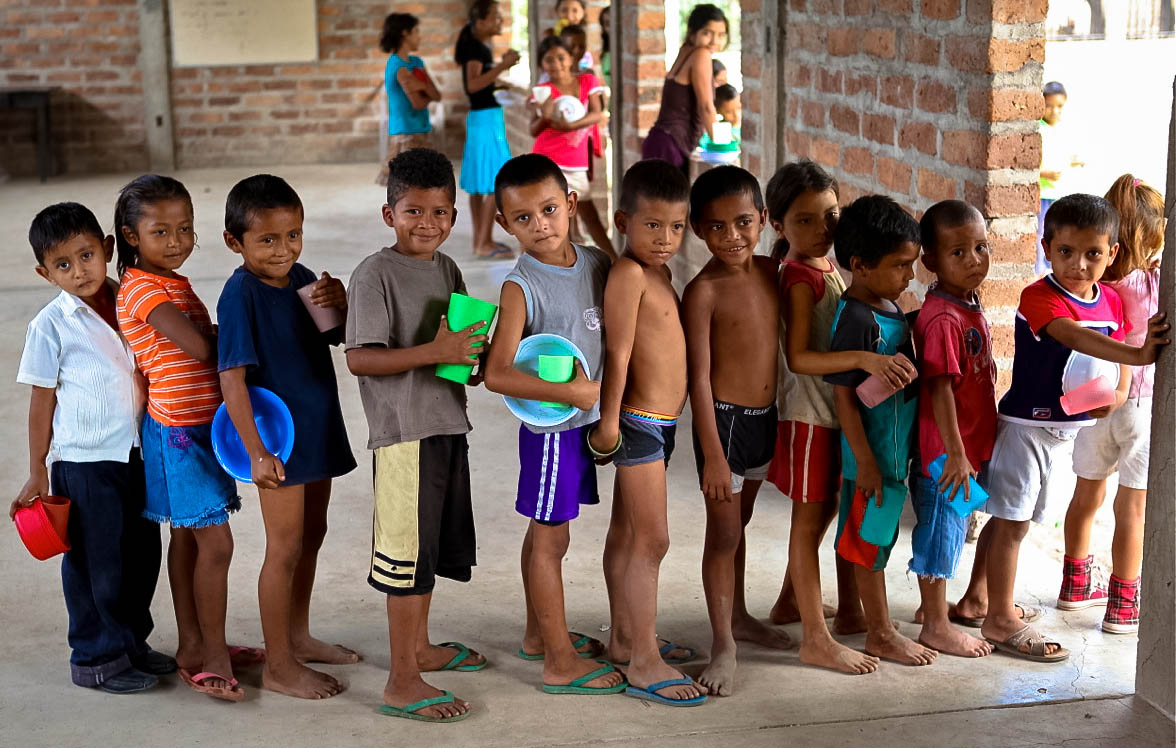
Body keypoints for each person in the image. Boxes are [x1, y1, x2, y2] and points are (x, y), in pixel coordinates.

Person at [954, 194, 1167, 662]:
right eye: (1066, 251)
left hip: (1065, 434)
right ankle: (1000, 620)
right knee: (1010, 525)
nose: (1079, 264)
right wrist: (1136, 357)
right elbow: (1072, 334)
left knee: (1015, 519)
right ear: (1046, 247)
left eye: (1093, 253)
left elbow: (1118, 341)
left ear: (1112, 254)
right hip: (1026, 430)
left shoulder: (1109, 298)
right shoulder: (1039, 296)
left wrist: (1118, 391)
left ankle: (977, 600)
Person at [346, 149, 488, 723]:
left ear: (454, 216)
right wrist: (437, 352)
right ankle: (402, 679)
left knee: (428, 551)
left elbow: (453, 345)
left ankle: (422, 648)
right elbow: (359, 359)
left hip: (446, 423)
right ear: (389, 214)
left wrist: (469, 363)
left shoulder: (447, 268)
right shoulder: (374, 274)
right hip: (404, 437)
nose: (426, 224)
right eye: (412, 212)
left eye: (439, 213)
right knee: (404, 559)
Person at [762, 162, 914, 675]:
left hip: (831, 416)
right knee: (809, 525)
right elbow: (800, 357)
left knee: (827, 514)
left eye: (829, 214)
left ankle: (790, 602)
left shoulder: (828, 266)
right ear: (777, 225)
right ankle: (813, 638)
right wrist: (864, 359)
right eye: (804, 221)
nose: (821, 229)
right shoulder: (801, 276)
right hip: (809, 417)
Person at [483, 154, 626, 697]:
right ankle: (559, 659)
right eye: (522, 219)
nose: (539, 225)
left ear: (569, 206)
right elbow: (498, 374)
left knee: (547, 534)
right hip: (550, 433)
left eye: (548, 210)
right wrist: (572, 392)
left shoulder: (596, 262)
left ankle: (538, 634)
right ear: (504, 224)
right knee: (550, 540)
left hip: (586, 425)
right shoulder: (521, 286)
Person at [12, 202, 169, 695]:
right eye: (63, 265)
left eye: (85, 256)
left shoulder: (132, 302)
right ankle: (96, 656)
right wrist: (37, 469)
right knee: (94, 562)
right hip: (83, 462)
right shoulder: (51, 326)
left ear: (106, 248)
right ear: (44, 272)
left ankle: (130, 642)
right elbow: (42, 402)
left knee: (141, 554)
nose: (79, 272)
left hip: (136, 453)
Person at [217, 174, 359, 699]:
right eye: (268, 240)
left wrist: (338, 300)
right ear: (236, 242)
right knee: (284, 546)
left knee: (313, 534)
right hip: (278, 439)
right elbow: (230, 376)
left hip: (317, 425)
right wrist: (256, 451)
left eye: (293, 234)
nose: (284, 250)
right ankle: (278, 664)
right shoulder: (239, 295)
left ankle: (297, 636)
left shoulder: (300, 275)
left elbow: (337, 334)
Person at [113, 175, 243, 701]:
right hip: (176, 437)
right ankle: (211, 651)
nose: (176, 241)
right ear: (130, 236)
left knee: (190, 539)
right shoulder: (144, 288)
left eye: (185, 228)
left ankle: (194, 643)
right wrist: (245, 323)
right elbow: (199, 347)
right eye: (160, 231)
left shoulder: (172, 281)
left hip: (199, 430)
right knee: (215, 542)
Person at [589, 160, 705, 707]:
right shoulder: (629, 274)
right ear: (623, 221)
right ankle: (643, 661)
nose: (665, 239)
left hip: (659, 423)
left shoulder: (658, 272)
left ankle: (623, 637)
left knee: (627, 533)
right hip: (635, 423)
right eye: (653, 225)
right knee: (652, 539)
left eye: (676, 227)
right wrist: (609, 421)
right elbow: (619, 351)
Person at [682, 165, 792, 697]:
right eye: (717, 226)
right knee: (723, 533)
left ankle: (742, 615)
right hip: (723, 425)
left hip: (764, 420)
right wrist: (713, 456)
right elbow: (697, 380)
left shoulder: (774, 272)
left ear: (765, 220)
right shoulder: (702, 291)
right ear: (700, 229)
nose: (732, 237)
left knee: (741, 523)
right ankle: (723, 643)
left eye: (744, 222)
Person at [822, 195, 937, 668]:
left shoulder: (885, 304)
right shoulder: (856, 319)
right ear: (860, 266)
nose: (909, 275)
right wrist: (865, 461)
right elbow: (844, 396)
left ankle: (854, 614)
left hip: (890, 453)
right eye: (901, 266)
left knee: (866, 535)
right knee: (872, 541)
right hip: (873, 459)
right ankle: (880, 633)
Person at [1059, 175, 1165, 634]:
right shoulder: (1152, 284)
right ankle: (1123, 603)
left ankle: (1075, 583)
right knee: (1133, 507)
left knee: (1087, 493)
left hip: (1093, 404)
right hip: (1138, 404)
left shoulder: (1095, 289)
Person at [907, 200, 997, 659]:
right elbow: (939, 389)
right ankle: (937, 626)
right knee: (941, 534)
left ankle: (931, 610)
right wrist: (958, 454)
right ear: (930, 262)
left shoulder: (964, 304)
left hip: (963, 451)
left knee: (953, 528)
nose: (974, 260)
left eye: (981, 247)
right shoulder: (943, 318)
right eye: (958, 252)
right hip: (946, 457)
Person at [530, 36, 613, 257]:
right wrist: (545, 116)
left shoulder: (587, 81)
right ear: (541, 64)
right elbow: (533, 129)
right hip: (547, 160)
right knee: (546, 217)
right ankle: (541, 264)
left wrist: (571, 125)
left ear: (571, 59)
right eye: (549, 60)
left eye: (561, 58)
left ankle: (614, 261)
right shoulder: (543, 90)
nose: (556, 64)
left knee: (588, 212)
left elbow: (597, 113)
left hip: (576, 162)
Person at [455, 0, 520, 259]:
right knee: (496, 182)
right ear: (480, 22)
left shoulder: (477, 45)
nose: (500, 21)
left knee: (481, 184)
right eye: (495, 16)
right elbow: (473, 85)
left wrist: (497, 82)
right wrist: (503, 65)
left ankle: (481, 240)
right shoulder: (477, 49)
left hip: (480, 118)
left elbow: (479, 84)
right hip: (485, 121)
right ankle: (483, 243)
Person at [641, 4, 727, 174]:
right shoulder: (701, 55)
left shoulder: (685, 51)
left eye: (721, 35)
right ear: (692, 32)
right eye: (707, 33)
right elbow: (706, 107)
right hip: (670, 146)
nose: (714, 41)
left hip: (659, 141)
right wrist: (721, 147)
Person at [376, 13, 441, 186]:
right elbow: (419, 103)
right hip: (405, 136)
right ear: (405, 33)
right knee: (407, 191)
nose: (420, 36)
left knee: (424, 188)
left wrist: (422, 87)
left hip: (421, 131)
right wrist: (427, 89)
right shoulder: (398, 66)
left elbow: (437, 95)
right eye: (416, 31)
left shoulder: (417, 62)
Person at [1036, 81, 1084, 275]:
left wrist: (1074, 161)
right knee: (1041, 232)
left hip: (1060, 194)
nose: (1054, 111)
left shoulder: (1063, 130)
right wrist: (1044, 174)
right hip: (1043, 193)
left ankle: (1052, 268)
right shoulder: (1037, 128)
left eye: (1059, 106)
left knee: (1060, 232)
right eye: (1049, 106)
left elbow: (1062, 155)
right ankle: (1038, 267)